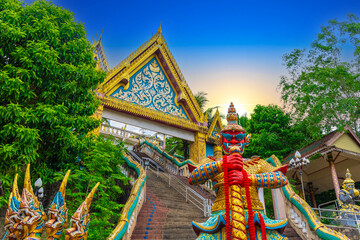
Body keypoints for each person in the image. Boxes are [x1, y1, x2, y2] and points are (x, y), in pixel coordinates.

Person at [188, 102, 289, 240]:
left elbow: (281, 178)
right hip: (221, 216)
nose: (234, 141)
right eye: (228, 138)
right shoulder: (212, 163)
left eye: (239, 138)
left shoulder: (257, 163)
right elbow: (193, 177)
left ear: (246, 141)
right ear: (219, 140)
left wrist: (249, 179)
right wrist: (222, 164)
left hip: (256, 216)